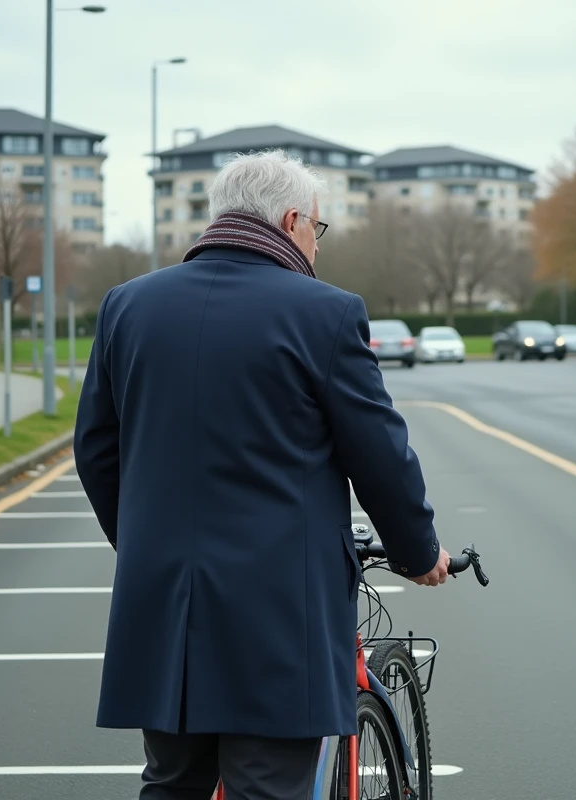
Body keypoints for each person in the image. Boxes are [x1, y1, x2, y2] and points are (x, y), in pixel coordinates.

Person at [74, 149, 450, 800]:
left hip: (162, 603)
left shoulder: (127, 307)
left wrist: (146, 546)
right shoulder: (324, 314)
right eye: (317, 231)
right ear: (293, 219)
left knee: (171, 784)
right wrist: (420, 553)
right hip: (277, 615)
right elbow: (380, 454)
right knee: (267, 789)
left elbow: (97, 450)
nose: (317, 247)